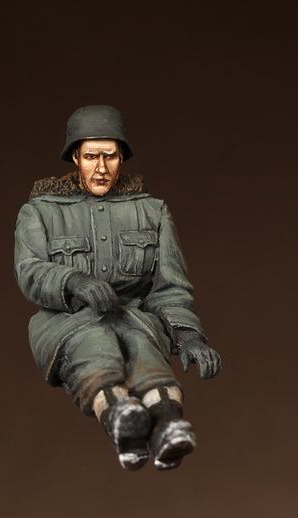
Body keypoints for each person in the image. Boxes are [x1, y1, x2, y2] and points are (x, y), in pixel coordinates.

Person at [14, 105, 221, 471]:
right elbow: (29, 270)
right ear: (75, 158)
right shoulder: (41, 212)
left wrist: (188, 335)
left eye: (109, 156)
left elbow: (170, 285)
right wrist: (72, 281)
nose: (101, 168)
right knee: (97, 349)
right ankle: (121, 418)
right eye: (91, 156)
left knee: (145, 350)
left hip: (133, 316)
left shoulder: (152, 212)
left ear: (121, 157)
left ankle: (167, 425)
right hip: (68, 321)